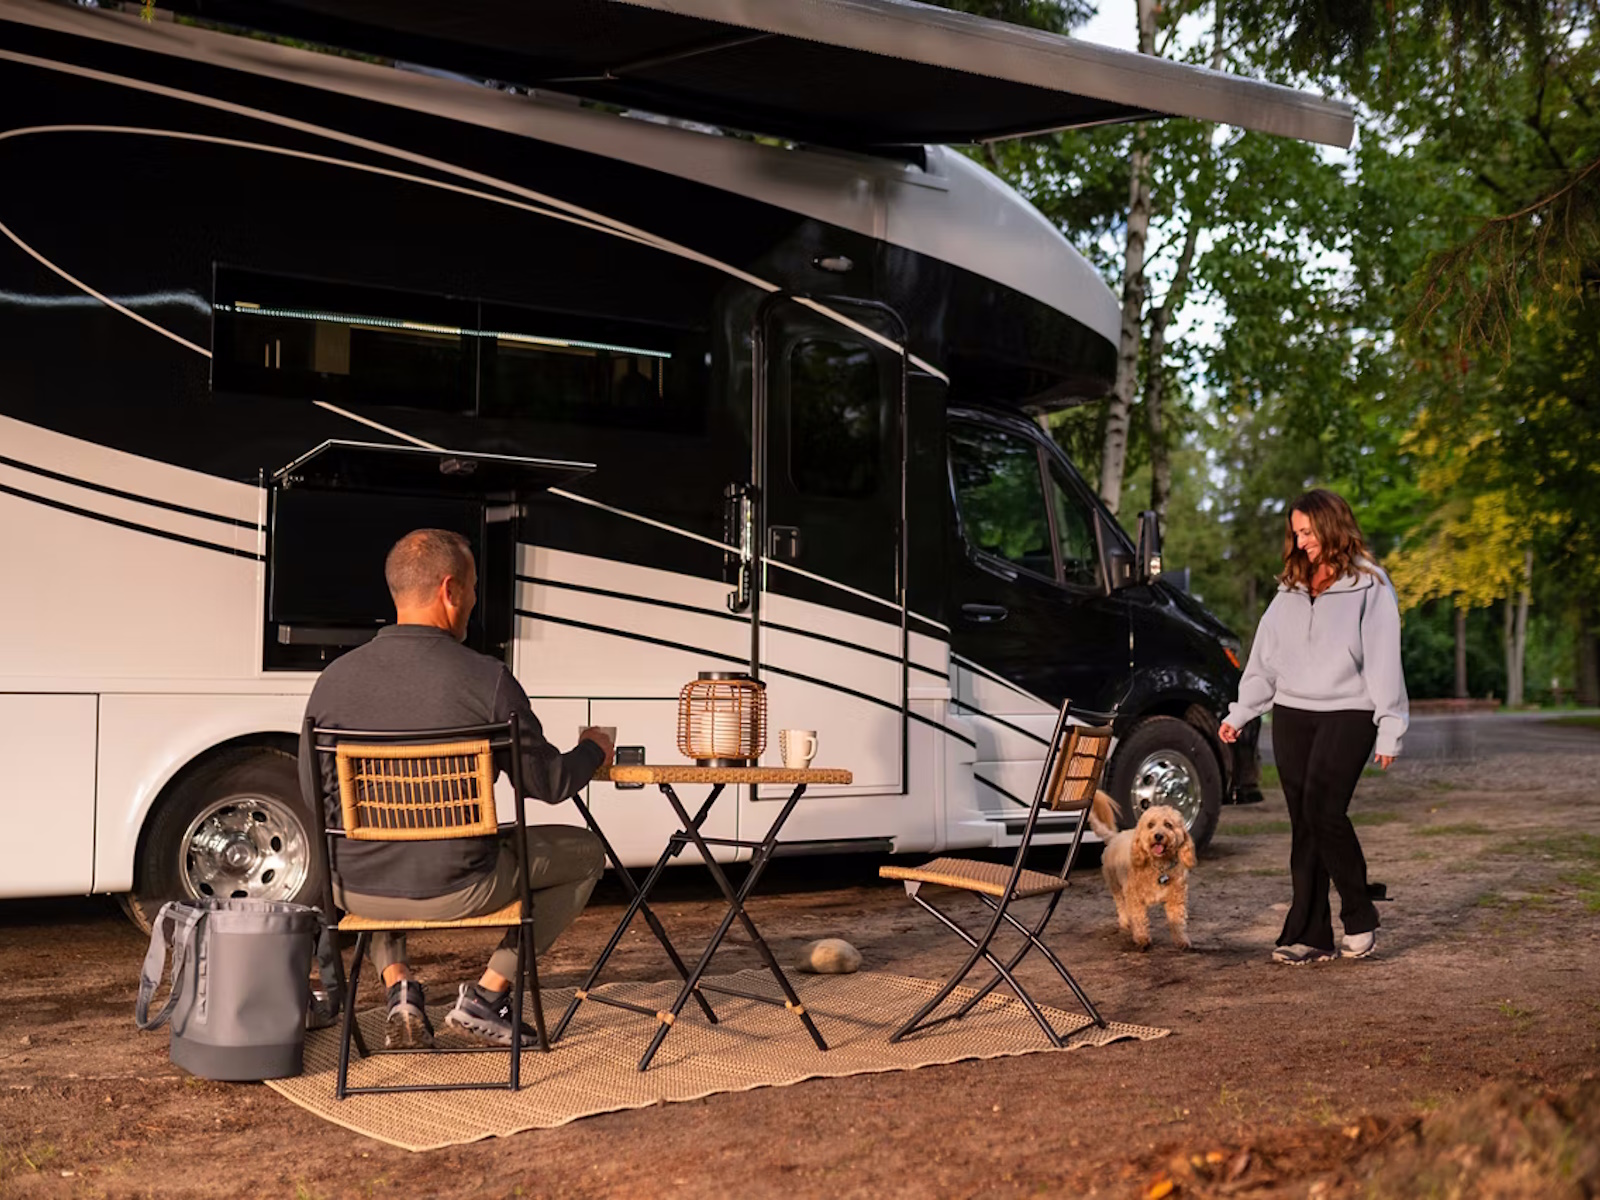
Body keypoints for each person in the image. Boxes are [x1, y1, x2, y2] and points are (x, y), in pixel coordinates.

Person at [301, 528, 614, 1048]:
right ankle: (487, 996)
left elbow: (315, 798)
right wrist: (593, 749)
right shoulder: (487, 680)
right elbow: (549, 782)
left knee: (379, 851)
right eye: (472, 588)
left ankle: (400, 987)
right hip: (459, 888)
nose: (473, 600)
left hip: (354, 888)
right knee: (584, 852)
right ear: (450, 590)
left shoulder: (332, 681)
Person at [1219, 489, 1408, 966]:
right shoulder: (1290, 587)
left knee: (1325, 811)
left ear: (1331, 525)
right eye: (1296, 533)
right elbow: (1265, 658)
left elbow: (1384, 660)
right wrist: (1241, 712)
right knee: (1304, 823)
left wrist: (1390, 726)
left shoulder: (1369, 584)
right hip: (1293, 715)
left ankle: (1360, 913)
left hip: (1350, 712)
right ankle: (1310, 933)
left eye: (1307, 531)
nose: (1301, 541)